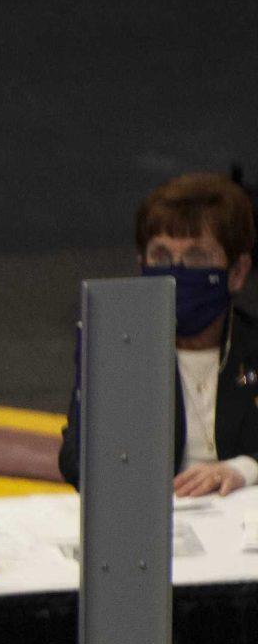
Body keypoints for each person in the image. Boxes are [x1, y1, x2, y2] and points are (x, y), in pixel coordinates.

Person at [57, 171, 257, 495]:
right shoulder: (120, 349)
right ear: (142, 265)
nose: (176, 272)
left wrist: (243, 469)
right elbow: (77, 465)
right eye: (161, 257)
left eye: (196, 257)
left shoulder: (251, 346)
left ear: (237, 273)